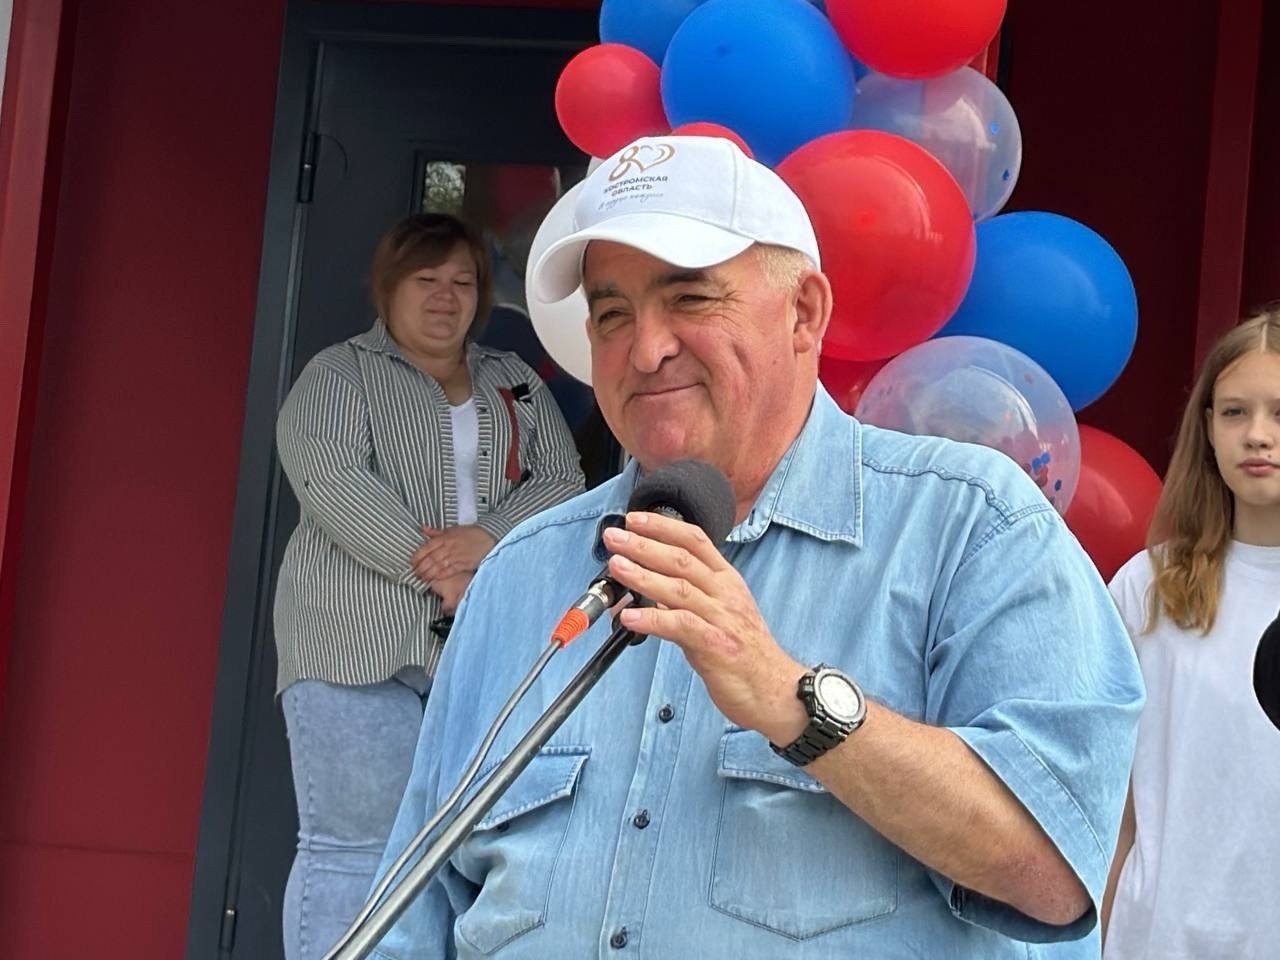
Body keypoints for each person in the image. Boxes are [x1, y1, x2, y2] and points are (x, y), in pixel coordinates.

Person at [369, 137, 1143, 959]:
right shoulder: (522, 573)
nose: (646, 350)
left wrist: (789, 697)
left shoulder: (970, 524)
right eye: (613, 315)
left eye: (690, 298)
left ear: (804, 312)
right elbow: (412, 916)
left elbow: (1054, 872)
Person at [272, 213, 584, 960]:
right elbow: (330, 478)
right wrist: (439, 568)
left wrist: (486, 540)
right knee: (351, 844)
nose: (446, 296)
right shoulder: (339, 373)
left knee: (467, 841)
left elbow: (563, 480)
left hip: (482, 644)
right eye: (426, 279)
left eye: (463, 282)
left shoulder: (512, 379)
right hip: (351, 636)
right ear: (388, 288)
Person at [1102, 309, 1280, 959]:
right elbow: (1112, 805)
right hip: (1160, 940)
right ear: (1206, 428)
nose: (1257, 435)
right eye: (1234, 412)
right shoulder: (1149, 588)